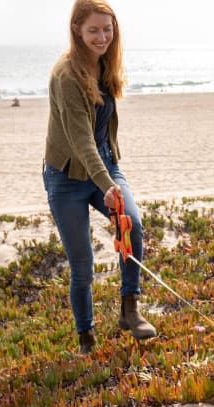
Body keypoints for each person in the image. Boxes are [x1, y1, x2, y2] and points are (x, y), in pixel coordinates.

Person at [42, 0, 157, 354]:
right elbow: (80, 142)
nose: (101, 37)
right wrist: (106, 186)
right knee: (82, 265)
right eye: (93, 30)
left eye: (107, 29)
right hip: (67, 176)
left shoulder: (106, 63)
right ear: (77, 29)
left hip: (105, 163)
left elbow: (102, 133)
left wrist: (110, 179)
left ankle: (129, 308)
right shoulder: (66, 76)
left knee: (132, 223)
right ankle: (86, 338)